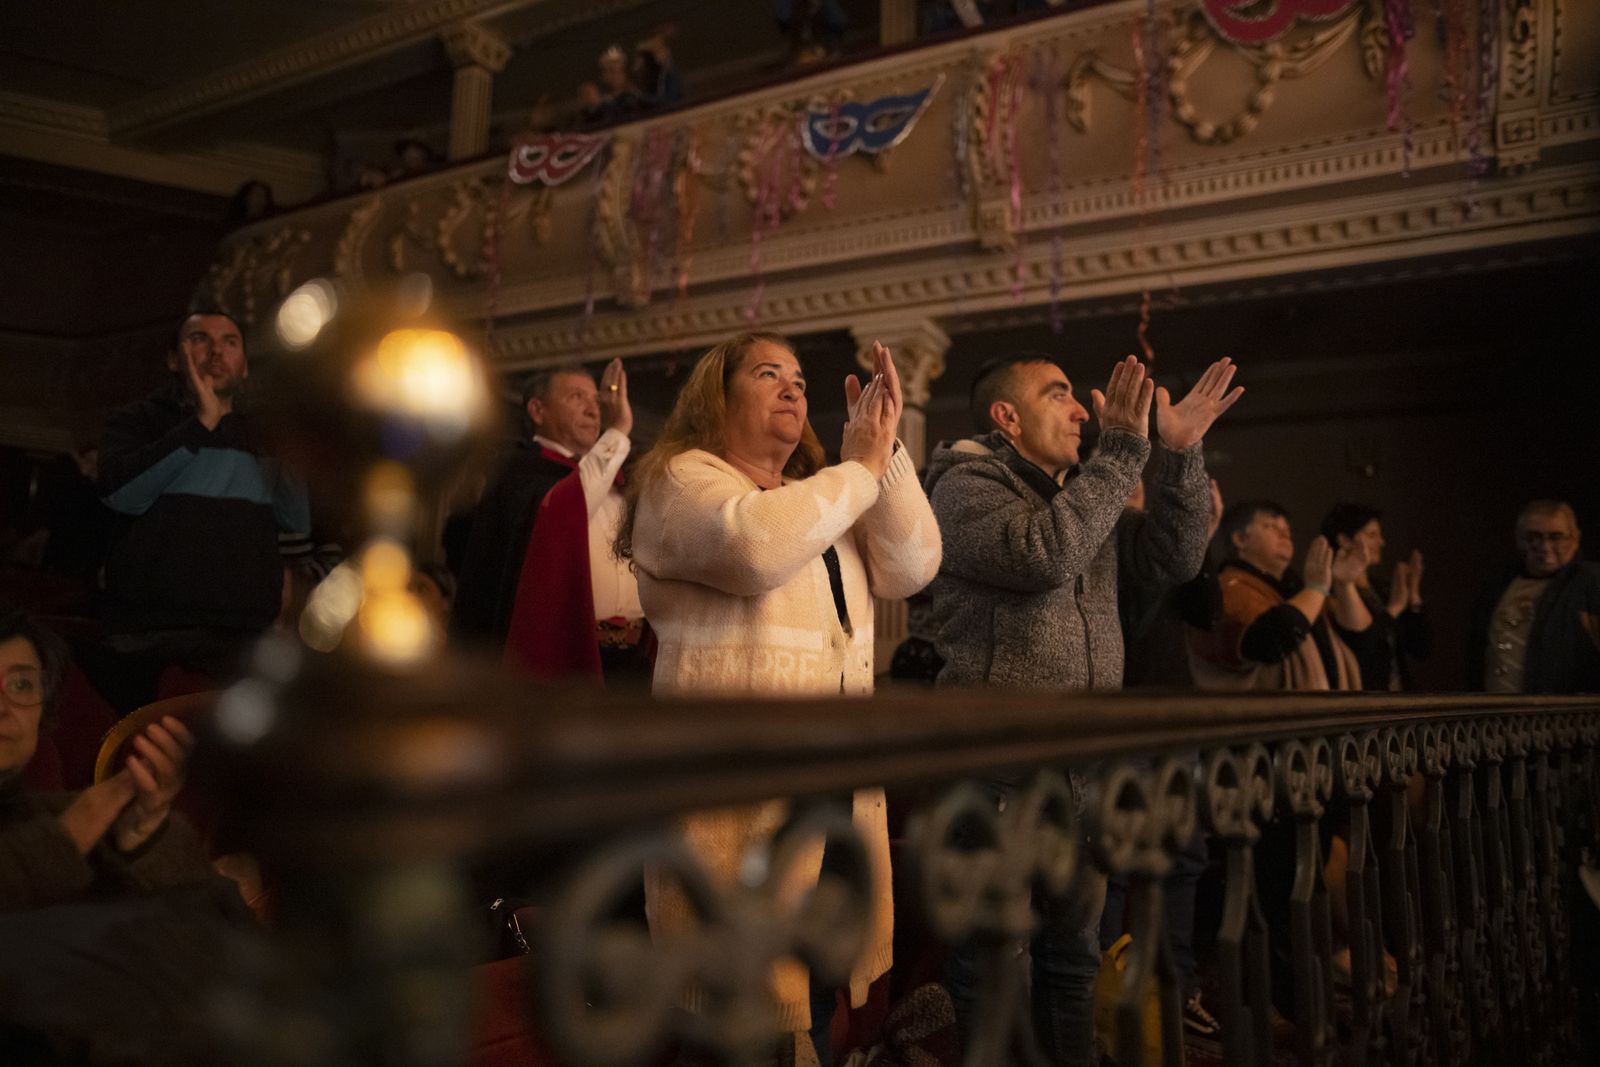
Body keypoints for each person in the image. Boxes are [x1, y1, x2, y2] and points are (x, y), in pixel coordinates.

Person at [616, 332, 941, 1063]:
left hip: (831, 797)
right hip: (735, 798)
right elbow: (755, 548)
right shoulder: (681, 479)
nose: (795, 387)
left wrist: (882, 455)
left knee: (811, 1000)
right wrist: (854, 470)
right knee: (742, 1018)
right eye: (769, 374)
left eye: (799, 377)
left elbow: (916, 565)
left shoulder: (818, 495)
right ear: (715, 396)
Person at [925, 353, 1241, 1066]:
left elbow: (1178, 556)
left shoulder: (1082, 496)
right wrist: (1125, 447)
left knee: (1074, 958)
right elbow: (1045, 556)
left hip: (1083, 767)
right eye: (1060, 395)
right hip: (997, 770)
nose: (1081, 412)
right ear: (1007, 417)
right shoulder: (963, 487)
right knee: (993, 965)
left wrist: (1180, 454)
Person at [0, 605, 245, 1063]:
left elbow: (216, 920)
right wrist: (74, 832)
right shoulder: (71, 820)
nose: (4, 708)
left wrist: (142, 833)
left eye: (21, 685)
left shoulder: (48, 810)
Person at [96, 309, 310, 710]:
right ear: (174, 359)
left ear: (244, 365)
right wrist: (202, 423)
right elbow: (121, 496)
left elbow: (298, 521)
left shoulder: (265, 435)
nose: (216, 351)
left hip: (241, 634)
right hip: (148, 632)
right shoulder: (137, 420)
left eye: (230, 342)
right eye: (200, 339)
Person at [455, 360, 644, 681]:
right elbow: (560, 513)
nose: (593, 410)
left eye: (595, 400)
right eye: (576, 397)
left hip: (629, 658)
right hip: (562, 655)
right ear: (538, 410)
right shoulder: (519, 471)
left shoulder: (618, 477)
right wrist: (615, 435)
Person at [1188, 501, 1370, 691]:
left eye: (1287, 529)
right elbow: (1267, 640)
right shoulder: (1230, 586)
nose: (1285, 534)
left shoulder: (1294, 590)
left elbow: (1359, 637)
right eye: (1271, 526)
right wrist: (1316, 588)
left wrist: (1344, 585)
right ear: (1240, 539)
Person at [1470, 500, 1600, 693]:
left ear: (1575, 539)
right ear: (1519, 540)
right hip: (1497, 712)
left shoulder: (1590, 582)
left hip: (1564, 714)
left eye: (1556, 537)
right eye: (1533, 538)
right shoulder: (1499, 586)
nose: (1544, 547)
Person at [1318, 502, 1429, 690]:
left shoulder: (1381, 589)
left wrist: (1414, 597)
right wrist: (1393, 609)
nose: (1381, 542)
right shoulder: (1331, 591)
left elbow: (1421, 649)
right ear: (1345, 540)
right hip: (1365, 698)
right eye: (1372, 535)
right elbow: (1365, 647)